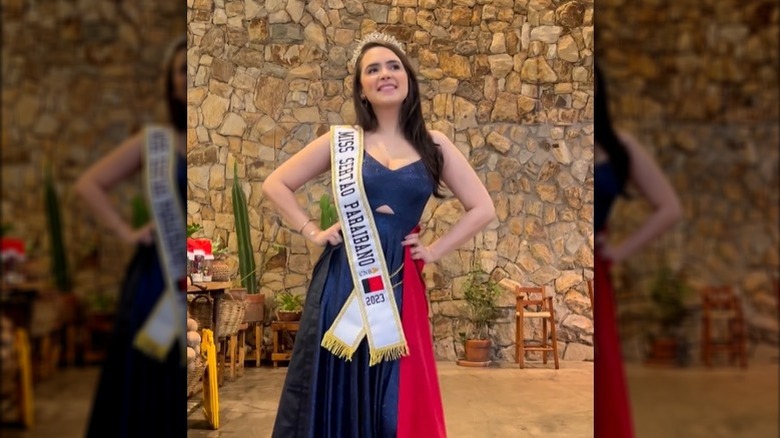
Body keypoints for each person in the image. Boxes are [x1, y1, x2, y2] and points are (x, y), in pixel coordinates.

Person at [263, 32, 496, 438]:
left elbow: (483, 208)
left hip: (401, 281)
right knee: (335, 383)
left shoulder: (434, 144)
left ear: (408, 80)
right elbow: (276, 184)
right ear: (362, 89)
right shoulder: (342, 143)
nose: (385, 74)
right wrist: (312, 231)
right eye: (373, 70)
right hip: (341, 282)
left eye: (393, 66)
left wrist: (435, 249)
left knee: (395, 397)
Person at [74, 36, 188, 437]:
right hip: (156, 278)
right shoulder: (153, 142)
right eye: (181, 70)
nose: (188, 78)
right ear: (171, 83)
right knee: (148, 368)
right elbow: (89, 185)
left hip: (192, 267)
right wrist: (126, 231)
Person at [594, 64, 683, 437]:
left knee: (603, 377)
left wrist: (618, 251)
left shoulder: (620, 146)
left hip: (598, 271)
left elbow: (670, 208)